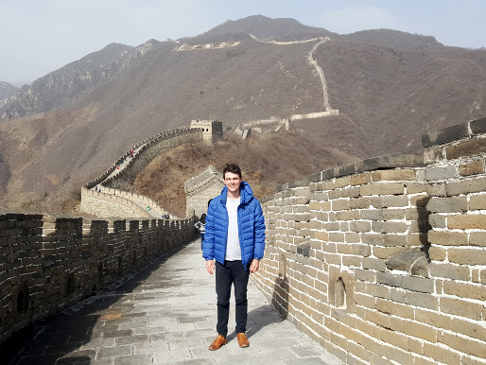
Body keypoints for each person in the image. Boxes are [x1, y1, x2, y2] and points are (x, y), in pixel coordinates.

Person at [203, 163, 266, 350]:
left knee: (240, 297)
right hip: (222, 260)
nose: (232, 182)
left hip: (242, 260)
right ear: (224, 180)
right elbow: (210, 231)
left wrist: (257, 257)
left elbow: (259, 230)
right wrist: (208, 257)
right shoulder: (216, 204)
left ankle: (241, 332)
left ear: (240, 180)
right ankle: (221, 334)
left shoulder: (252, 203)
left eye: (235, 179)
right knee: (222, 299)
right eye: (228, 179)